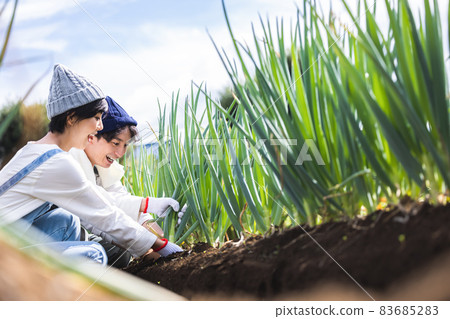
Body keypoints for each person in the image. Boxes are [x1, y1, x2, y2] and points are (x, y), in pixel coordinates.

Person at [0, 64, 182, 265]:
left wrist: (147, 217)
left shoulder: (34, 150)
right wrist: (161, 245)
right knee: (94, 254)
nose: (100, 126)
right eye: (96, 118)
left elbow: (101, 201)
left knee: (65, 222)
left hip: (10, 240)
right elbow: (103, 215)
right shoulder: (55, 162)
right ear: (71, 118)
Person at [70, 96, 185, 267]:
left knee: (121, 253)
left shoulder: (102, 166)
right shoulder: (70, 163)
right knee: (117, 254)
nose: (120, 153)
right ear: (91, 137)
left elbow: (121, 200)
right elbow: (101, 216)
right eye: (116, 143)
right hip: (52, 238)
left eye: (125, 145)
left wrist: (156, 228)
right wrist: (158, 246)